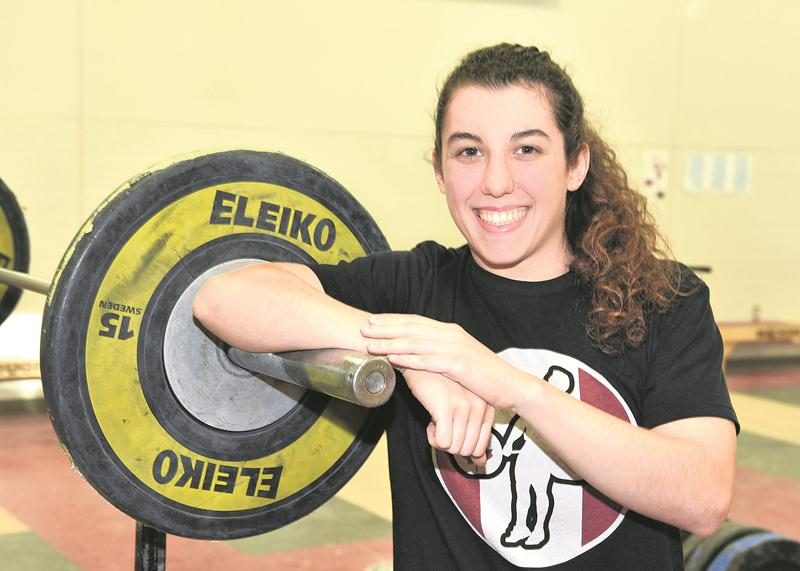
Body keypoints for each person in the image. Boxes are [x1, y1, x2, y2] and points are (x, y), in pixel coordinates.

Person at [193, 43, 738, 569]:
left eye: (526, 149)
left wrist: (508, 384)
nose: (496, 183)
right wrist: (414, 357)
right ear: (440, 172)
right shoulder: (416, 287)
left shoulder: (664, 299)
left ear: (575, 166)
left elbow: (701, 496)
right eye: (469, 151)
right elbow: (225, 298)